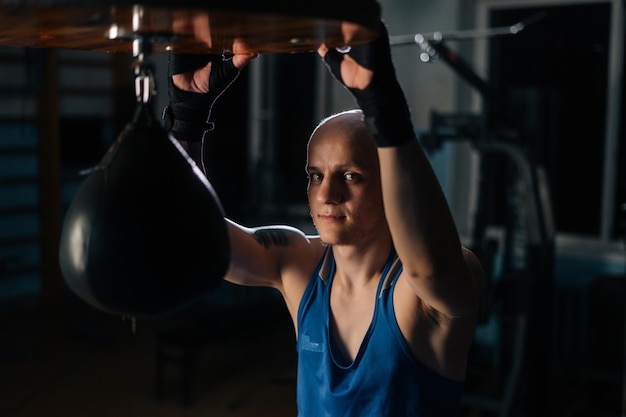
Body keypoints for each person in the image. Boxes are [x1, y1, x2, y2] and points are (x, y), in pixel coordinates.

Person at [163, 20, 484, 417]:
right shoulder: (298, 265)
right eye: (316, 176)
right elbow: (195, 236)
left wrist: (386, 111)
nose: (327, 195)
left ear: (391, 186)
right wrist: (186, 116)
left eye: (352, 177)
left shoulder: (419, 291)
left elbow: (431, 270)